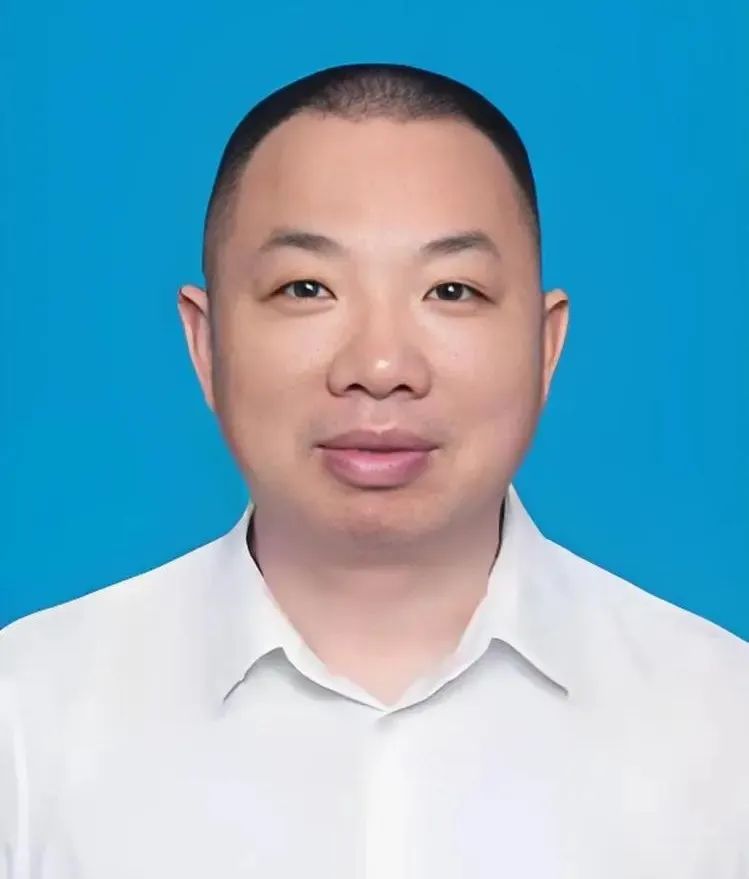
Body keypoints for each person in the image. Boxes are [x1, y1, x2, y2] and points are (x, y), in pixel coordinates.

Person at [1, 63, 747, 879]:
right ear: (206, 343)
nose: (381, 365)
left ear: (545, 346)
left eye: (451, 289)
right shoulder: (26, 715)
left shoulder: (720, 722)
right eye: (307, 287)